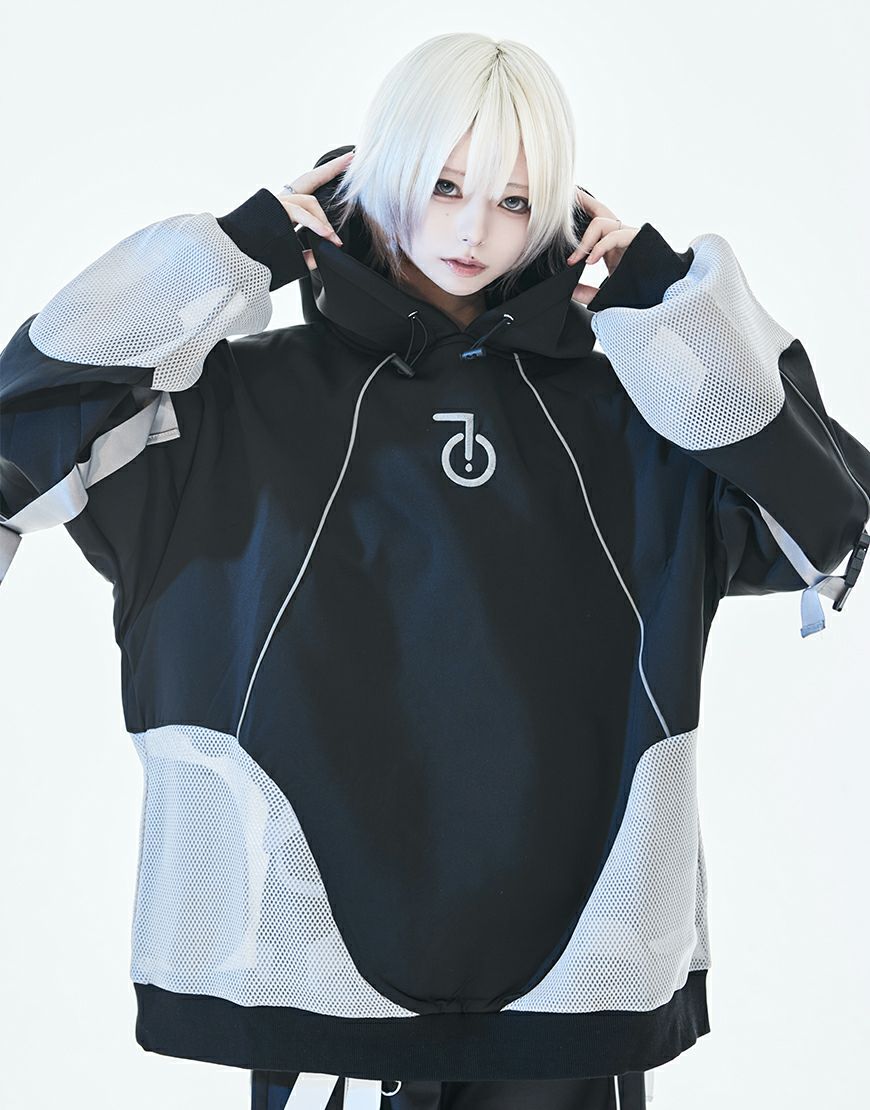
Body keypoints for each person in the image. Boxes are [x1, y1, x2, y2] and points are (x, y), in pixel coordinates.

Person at [2, 31, 868, 1110]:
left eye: (515, 200)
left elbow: (832, 511)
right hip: (310, 978)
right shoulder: (232, 406)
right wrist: (225, 258)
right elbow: (22, 428)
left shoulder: (639, 410)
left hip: (576, 992)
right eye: (445, 184)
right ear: (379, 171)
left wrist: (670, 305)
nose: (472, 230)